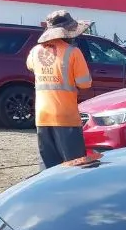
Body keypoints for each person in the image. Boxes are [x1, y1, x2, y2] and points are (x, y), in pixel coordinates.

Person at [26, 10, 93, 169]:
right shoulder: (73, 52)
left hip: (43, 117)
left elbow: (30, 66)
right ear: (68, 31)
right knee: (75, 166)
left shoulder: (35, 51)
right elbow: (85, 83)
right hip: (66, 117)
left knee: (49, 167)